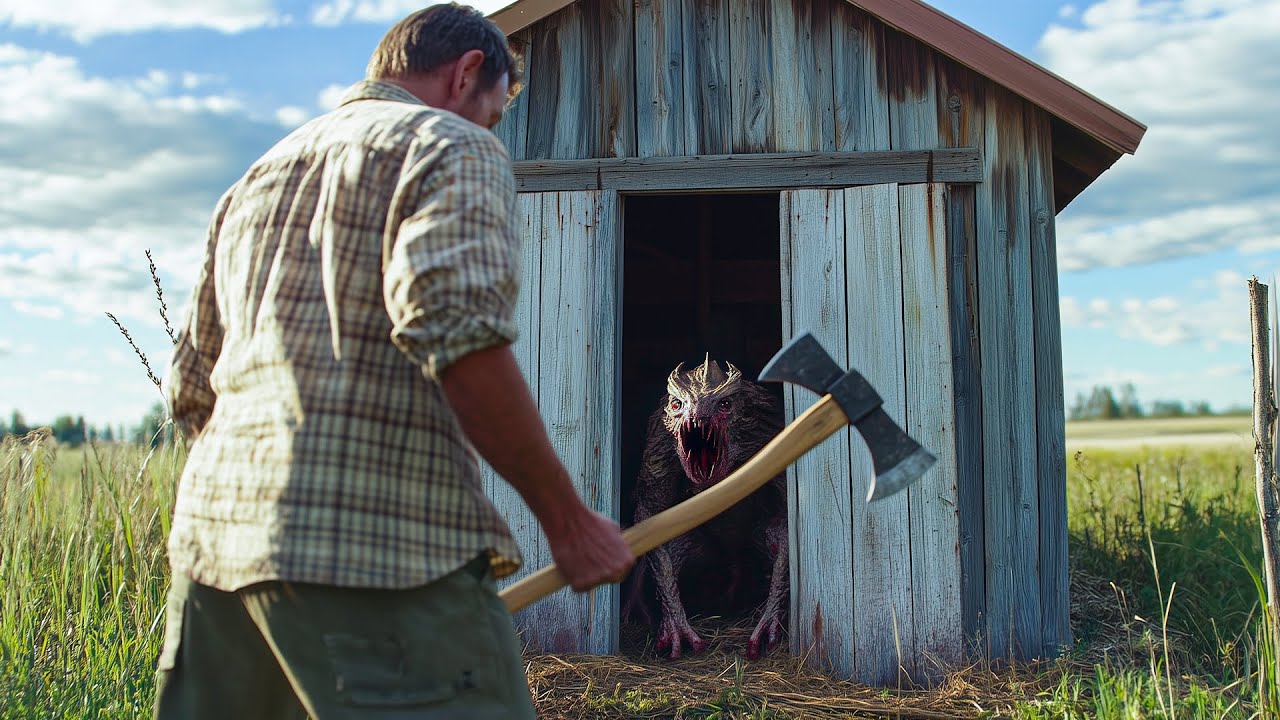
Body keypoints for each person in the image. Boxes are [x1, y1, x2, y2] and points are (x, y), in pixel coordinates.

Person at [153, 4, 634, 718]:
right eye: (495, 112)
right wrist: (567, 522)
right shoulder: (448, 145)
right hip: (377, 553)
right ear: (468, 73)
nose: (490, 129)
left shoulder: (256, 177)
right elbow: (454, 330)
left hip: (214, 560)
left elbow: (192, 387)